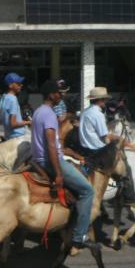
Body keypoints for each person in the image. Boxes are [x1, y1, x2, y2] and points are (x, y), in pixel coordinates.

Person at [31, 80, 98, 250]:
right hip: (50, 162)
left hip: (41, 159)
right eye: (59, 93)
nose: (62, 95)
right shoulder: (49, 114)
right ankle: (80, 235)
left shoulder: (39, 111)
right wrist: (59, 173)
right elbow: (51, 145)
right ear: (51, 94)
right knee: (88, 190)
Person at [79, 87, 135, 205]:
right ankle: (130, 197)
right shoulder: (97, 114)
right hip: (97, 150)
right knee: (126, 167)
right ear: (100, 100)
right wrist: (119, 139)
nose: (105, 103)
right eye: (104, 100)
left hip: (84, 148)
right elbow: (105, 136)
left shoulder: (85, 112)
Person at [0, 72, 31, 140]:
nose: (21, 85)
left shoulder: (4, 97)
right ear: (10, 85)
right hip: (18, 136)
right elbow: (13, 124)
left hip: (8, 135)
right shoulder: (13, 99)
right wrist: (29, 122)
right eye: (18, 83)